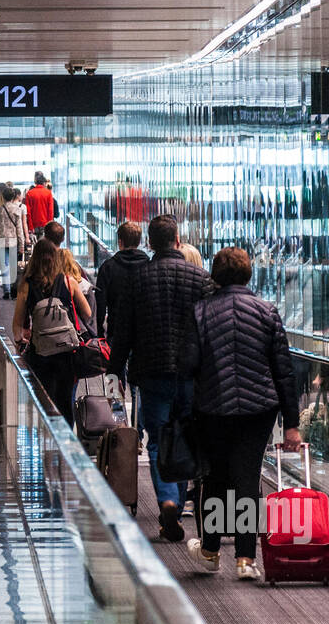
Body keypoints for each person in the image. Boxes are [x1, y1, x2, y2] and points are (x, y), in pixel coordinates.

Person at [181, 247, 299, 581]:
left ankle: (210, 551)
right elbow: (284, 372)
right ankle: (246, 559)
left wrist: (186, 409)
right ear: (248, 274)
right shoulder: (267, 312)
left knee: (215, 478)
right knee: (248, 477)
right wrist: (291, 423)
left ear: (215, 276)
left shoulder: (200, 312)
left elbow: (187, 366)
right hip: (257, 409)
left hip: (212, 407)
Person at [108, 215, 216, 543]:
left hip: (151, 371)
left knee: (156, 440)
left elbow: (122, 329)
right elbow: (210, 328)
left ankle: (167, 499)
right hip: (190, 374)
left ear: (150, 243)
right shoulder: (200, 278)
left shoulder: (138, 279)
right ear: (178, 240)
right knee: (187, 436)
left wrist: (116, 369)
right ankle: (178, 500)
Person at [13, 238, 91, 423]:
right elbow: (87, 313)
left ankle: (47, 437)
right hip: (67, 352)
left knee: (44, 398)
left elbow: (17, 323)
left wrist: (20, 340)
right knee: (66, 400)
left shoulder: (27, 284)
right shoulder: (68, 281)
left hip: (41, 354)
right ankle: (66, 443)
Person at [94, 221, 148, 342]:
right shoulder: (149, 265)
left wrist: (100, 332)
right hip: (144, 329)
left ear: (120, 242)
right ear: (139, 242)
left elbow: (100, 303)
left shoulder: (108, 267)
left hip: (117, 329)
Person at [0, 185, 29, 299]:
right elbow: (19, 228)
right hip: (13, 240)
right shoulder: (18, 209)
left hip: (1, 240)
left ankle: (6, 290)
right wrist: (22, 244)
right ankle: (14, 289)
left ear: (3, 197)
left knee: (5, 266)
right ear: (13, 197)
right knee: (13, 266)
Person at [25, 171, 55, 238]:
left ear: (35, 183)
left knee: (35, 246)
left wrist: (30, 226)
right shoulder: (48, 193)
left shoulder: (29, 193)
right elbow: (50, 211)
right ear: (44, 183)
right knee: (44, 245)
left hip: (33, 224)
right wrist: (49, 226)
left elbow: (28, 212)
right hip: (45, 224)